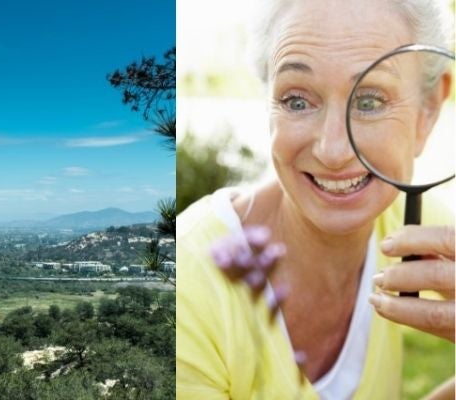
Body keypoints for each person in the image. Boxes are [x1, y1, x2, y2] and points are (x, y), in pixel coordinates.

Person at [175, 0, 455, 398]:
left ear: (427, 111)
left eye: (370, 101)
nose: (333, 149)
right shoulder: (184, 291)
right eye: (297, 101)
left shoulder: (416, 229)